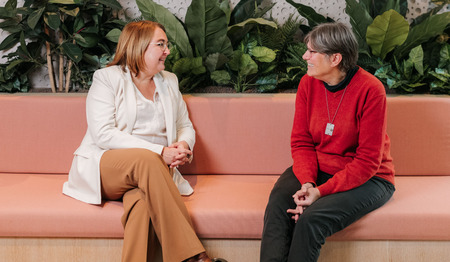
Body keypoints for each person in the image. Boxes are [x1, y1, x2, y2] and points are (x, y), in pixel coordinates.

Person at [62, 20, 218, 262]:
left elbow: (184, 126)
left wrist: (183, 145)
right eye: (161, 44)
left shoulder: (169, 81)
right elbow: (103, 133)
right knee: (147, 160)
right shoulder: (107, 78)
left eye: (167, 44)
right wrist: (160, 151)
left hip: (151, 174)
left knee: (142, 203)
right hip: (106, 167)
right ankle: (193, 257)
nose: (167, 51)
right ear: (139, 47)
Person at [260, 22, 396, 262]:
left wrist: (320, 192)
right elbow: (302, 142)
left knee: (312, 218)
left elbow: (367, 162)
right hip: (319, 168)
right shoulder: (307, 83)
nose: (305, 56)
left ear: (335, 59)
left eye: (312, 52)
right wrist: (307, 182)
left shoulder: (371, 90)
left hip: (371, 178)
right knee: (278, 204)